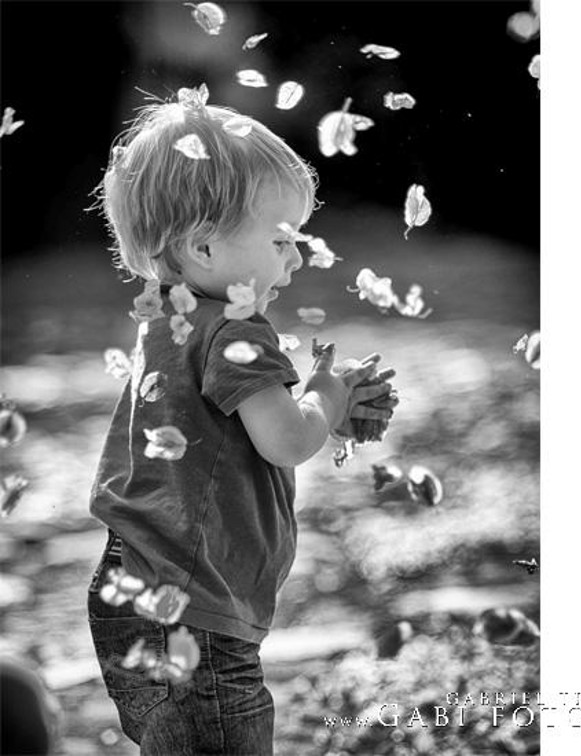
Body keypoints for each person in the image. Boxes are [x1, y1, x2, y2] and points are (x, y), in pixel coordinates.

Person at [85, 91, 396, 754]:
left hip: (128, 584)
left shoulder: (166, 319)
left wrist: (331, 410)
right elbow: (284, 441)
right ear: (201, 246)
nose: (298, 258)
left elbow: (219, 436)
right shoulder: (236, 332)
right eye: (283, 239)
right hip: (191, 609)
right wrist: (330, 399)